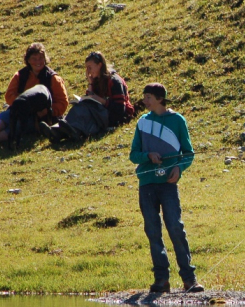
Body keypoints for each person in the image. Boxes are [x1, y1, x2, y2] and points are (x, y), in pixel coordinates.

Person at [129, 83, 203, 294]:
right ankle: (161, 280)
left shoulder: (177, 121)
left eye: (148, 97)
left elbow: (188, 153)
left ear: (160, 98)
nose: (145, 101)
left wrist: (179, 168)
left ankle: (189, 279)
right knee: (153, 231)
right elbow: (134, 154)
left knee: (176, 228)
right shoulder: (142, 122)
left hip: (168, 186)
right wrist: (148, 157)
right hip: (146, 185)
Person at [0, 43, 69, 148]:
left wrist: (45, 111)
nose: (38, 62)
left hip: (39, 118)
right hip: (19, 110)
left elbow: (63, 103)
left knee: (17, 125)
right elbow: (9, 96)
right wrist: (22, 104)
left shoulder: (53, 79)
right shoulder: (20, 76)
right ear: (28, 60)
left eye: (40, 58)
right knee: (5, 115)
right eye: (34, 59)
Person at [40, 51, 134, 144]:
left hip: (115, 117)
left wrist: (100, 100)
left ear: (100, 65)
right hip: (100, 113)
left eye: (90, 68)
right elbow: (90, 97)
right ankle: (57, 132)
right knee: (82, 107)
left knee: (85, 109)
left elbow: (120, 109)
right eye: (86, 68)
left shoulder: (115, 81)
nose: (88, 71)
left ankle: (64, 130)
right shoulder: (96, 80)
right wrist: (90, 83)